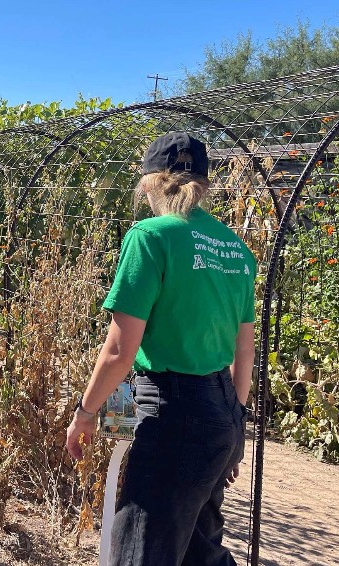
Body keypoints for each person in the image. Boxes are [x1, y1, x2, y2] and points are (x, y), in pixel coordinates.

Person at [64, 132, 256, 566]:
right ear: (203, 185)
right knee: (199, 547)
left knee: (143, 546)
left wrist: (86, 412)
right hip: (222, 407)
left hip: (171, 408)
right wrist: (237, 421)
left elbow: (119, 351)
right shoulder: (236, 248)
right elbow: (246, 351)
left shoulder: (150, 237)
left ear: (149, 182)